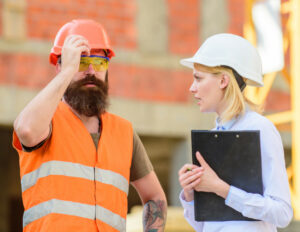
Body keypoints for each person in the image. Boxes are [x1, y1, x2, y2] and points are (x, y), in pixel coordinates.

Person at [13, 19, 167, 232]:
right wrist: (68, 72)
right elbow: (26, 131)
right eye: (82, 62)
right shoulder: (46, 120)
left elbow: (155, 197)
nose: (92, 71)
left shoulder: (124, 132)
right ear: (59, 65)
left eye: (100, 62)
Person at [178, 33, 293, 231]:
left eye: (198, 78)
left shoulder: (261, 129)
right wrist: (190, 195)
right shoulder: (212, 137)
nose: (191, 88)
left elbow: (282, 214)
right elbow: (208, 226)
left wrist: (221, 189)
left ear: (223, 81)